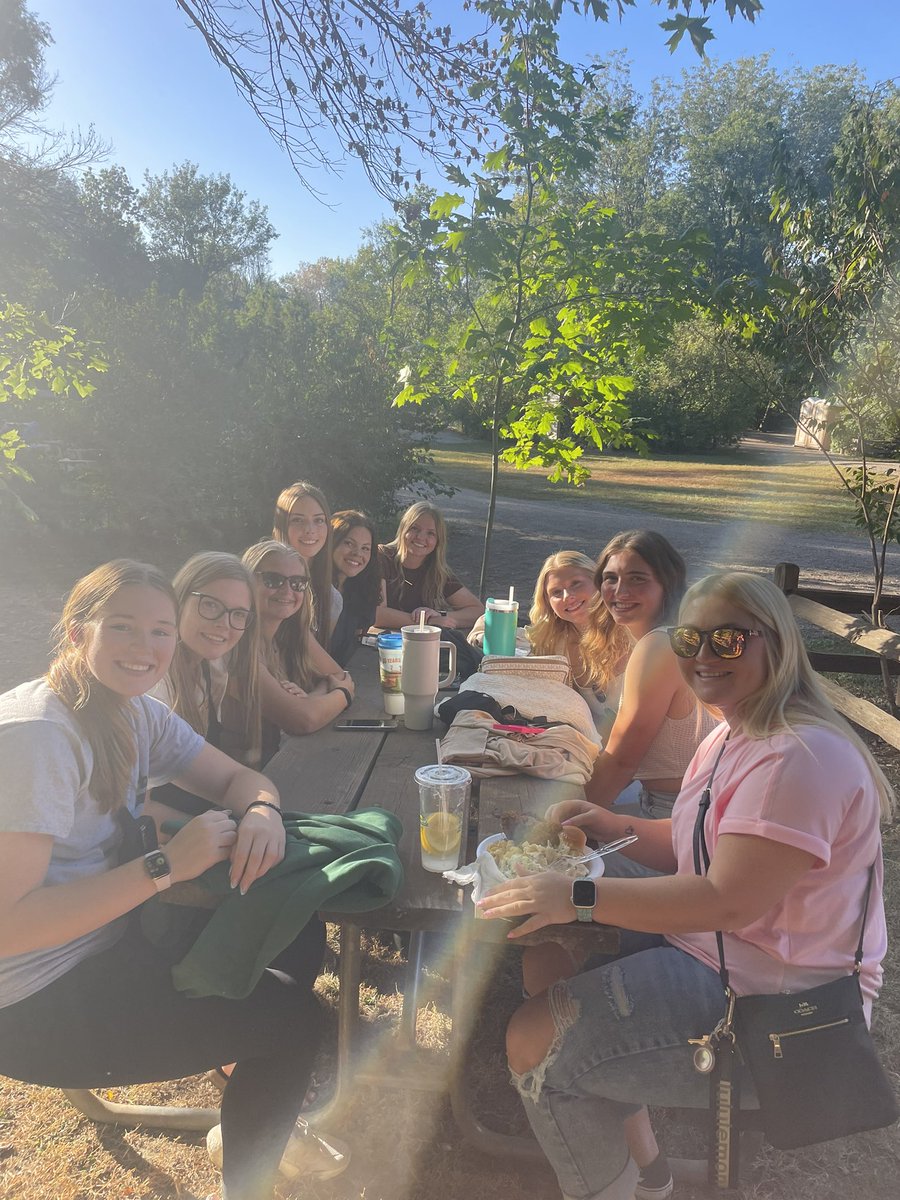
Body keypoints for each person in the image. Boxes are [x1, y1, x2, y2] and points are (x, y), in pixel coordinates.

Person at [480, 572, 894, 1200]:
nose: (703, 656)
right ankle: (650, 1175)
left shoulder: (798, 758)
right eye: (690, 641)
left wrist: (579, 897)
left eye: (727, 640)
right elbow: (694, 843)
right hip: (713, 953)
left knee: (532, 1040)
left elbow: (725, 897)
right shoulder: (733, 731)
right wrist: (608, 825)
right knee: (550, 958)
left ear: (775, 645)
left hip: (773, 1009)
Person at [0, 560, 341, 1200]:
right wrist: (165, 867)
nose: (146, 647)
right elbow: (8, 926)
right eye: (123, 626)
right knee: (293, 1023)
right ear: (77, 633)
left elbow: (239, 780)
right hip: (34, 1002)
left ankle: (254, 1100)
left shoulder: (134, 713)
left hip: (110, 938)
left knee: (292, 916)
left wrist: (263, 811)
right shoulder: (36, 737)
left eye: (160, 631)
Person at [577, 530, 717, 819]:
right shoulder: (665, 637)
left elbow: (622, 762)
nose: (621, 591)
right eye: (610, 578)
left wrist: (555, 830)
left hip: (683, 815)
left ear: (667, 583)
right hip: (665, 802)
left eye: (637, 578)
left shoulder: (660, 645)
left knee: (537, 862)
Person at [150, 552, 262, 817]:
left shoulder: (213, 668)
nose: (224, 624)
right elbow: (135, 811)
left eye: (238, 614)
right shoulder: (154, 687)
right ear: (178, 601)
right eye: (210, 605)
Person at [242, 540, 355, 751]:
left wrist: (311, 699)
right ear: (247, 582)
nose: (287, 591)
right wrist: (342, 694)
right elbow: (303, 720)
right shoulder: (238, 646)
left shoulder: (291, 632)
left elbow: (338, 676)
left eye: (297, 583)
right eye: (273, 580)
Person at [527, 550, 631, 741]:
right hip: (589, 747)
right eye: (556, 592)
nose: (567, 596)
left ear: (598, 582)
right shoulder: (555, 645)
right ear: (548, 603)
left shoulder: (631, 634)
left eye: (576, 584)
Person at [375, 501, 483, 631]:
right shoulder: (381, 556)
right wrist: (426, 622)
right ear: (403, 529)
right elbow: (376, 614)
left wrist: (440, 616)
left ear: (438, 541)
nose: (421, 537)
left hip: (422, 645)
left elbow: (478, 611)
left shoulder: (437, 570)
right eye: (415, 528)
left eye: (430, 533)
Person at [272, 481, 340, 647]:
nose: (310, 529)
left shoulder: (332, 598)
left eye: (318, 520)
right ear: (282, 525)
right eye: (297, 520)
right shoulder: (260, 580)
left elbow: (316, 658)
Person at [330, 509, 381, 667]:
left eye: (365, 548)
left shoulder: (361, 589)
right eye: (349, 543)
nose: (357, 553)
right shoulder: (313, 589)